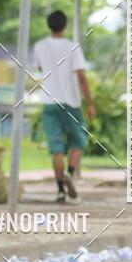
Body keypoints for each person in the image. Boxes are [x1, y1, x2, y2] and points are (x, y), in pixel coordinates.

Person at [32, 10, 95, 203]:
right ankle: (70, 173)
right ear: (65, 25)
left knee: (56, 147)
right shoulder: (72, 47)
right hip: (71, 103)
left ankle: (60, 190)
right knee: (78, 141)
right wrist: (90, 104)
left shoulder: (39, 46)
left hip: (49, 103)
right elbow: (82, 77)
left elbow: (40, 68)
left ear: (49, 25)